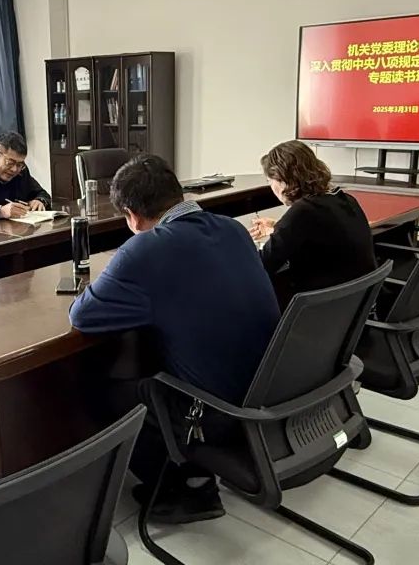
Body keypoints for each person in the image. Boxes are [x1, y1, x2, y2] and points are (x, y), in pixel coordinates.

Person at [69, 155, 280, 524]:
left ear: (132, 216)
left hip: (217, 414)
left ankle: (182, 487)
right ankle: (190, 472)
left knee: (98, 387)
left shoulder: (145, 249)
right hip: (268, 391)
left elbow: (82, 315)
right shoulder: (233, 229)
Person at [249, 140, 376, 305]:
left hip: (323, 308)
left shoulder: (302, 211)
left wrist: (239, 242)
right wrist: (278, 227)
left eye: (269, 181)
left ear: (281, 179)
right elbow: (321, 232)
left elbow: (263, 264)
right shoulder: (344, 199)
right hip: (358, 305)